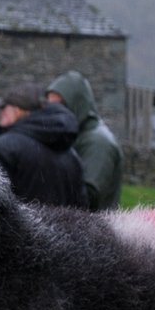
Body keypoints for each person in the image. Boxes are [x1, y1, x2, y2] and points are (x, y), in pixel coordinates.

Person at [0, 83, 87, 209]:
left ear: (17, 110)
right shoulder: (71, 152)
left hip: (22, 228)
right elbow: (82, 205)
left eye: (4, 107)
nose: (1, 112)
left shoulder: (4, 147)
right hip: (64, 227)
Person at [46, 70, 124, 211]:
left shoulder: (99, 143)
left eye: (58, 105)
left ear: (76, 104)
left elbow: (89, 198)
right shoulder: (75, 136)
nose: (53, 112)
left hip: (96, 229)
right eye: (50, 106)